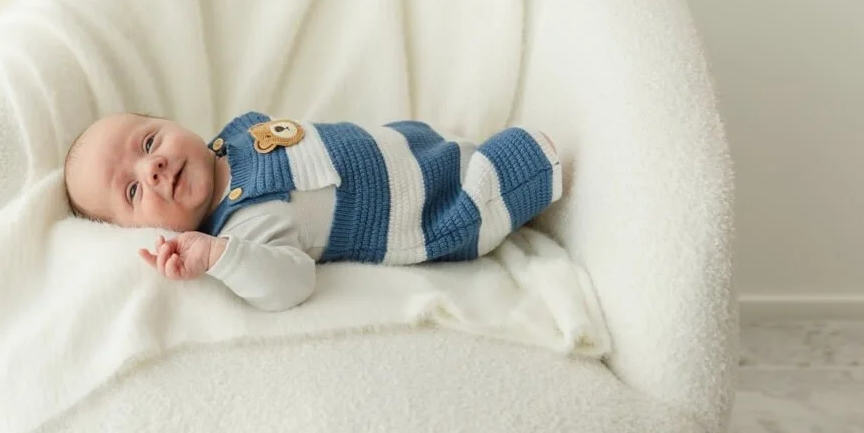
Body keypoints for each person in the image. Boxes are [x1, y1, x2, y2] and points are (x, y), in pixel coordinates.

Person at [64, 111, 561, 311]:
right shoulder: (242, 228)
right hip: (424, 209)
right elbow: (290, 283)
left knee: (441, 140)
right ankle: (542, 162)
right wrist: (218, 256)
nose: (152, 167)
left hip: (404, 146)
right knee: (497, 183)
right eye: (132, 192)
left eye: (149, 141)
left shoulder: (235, 137)